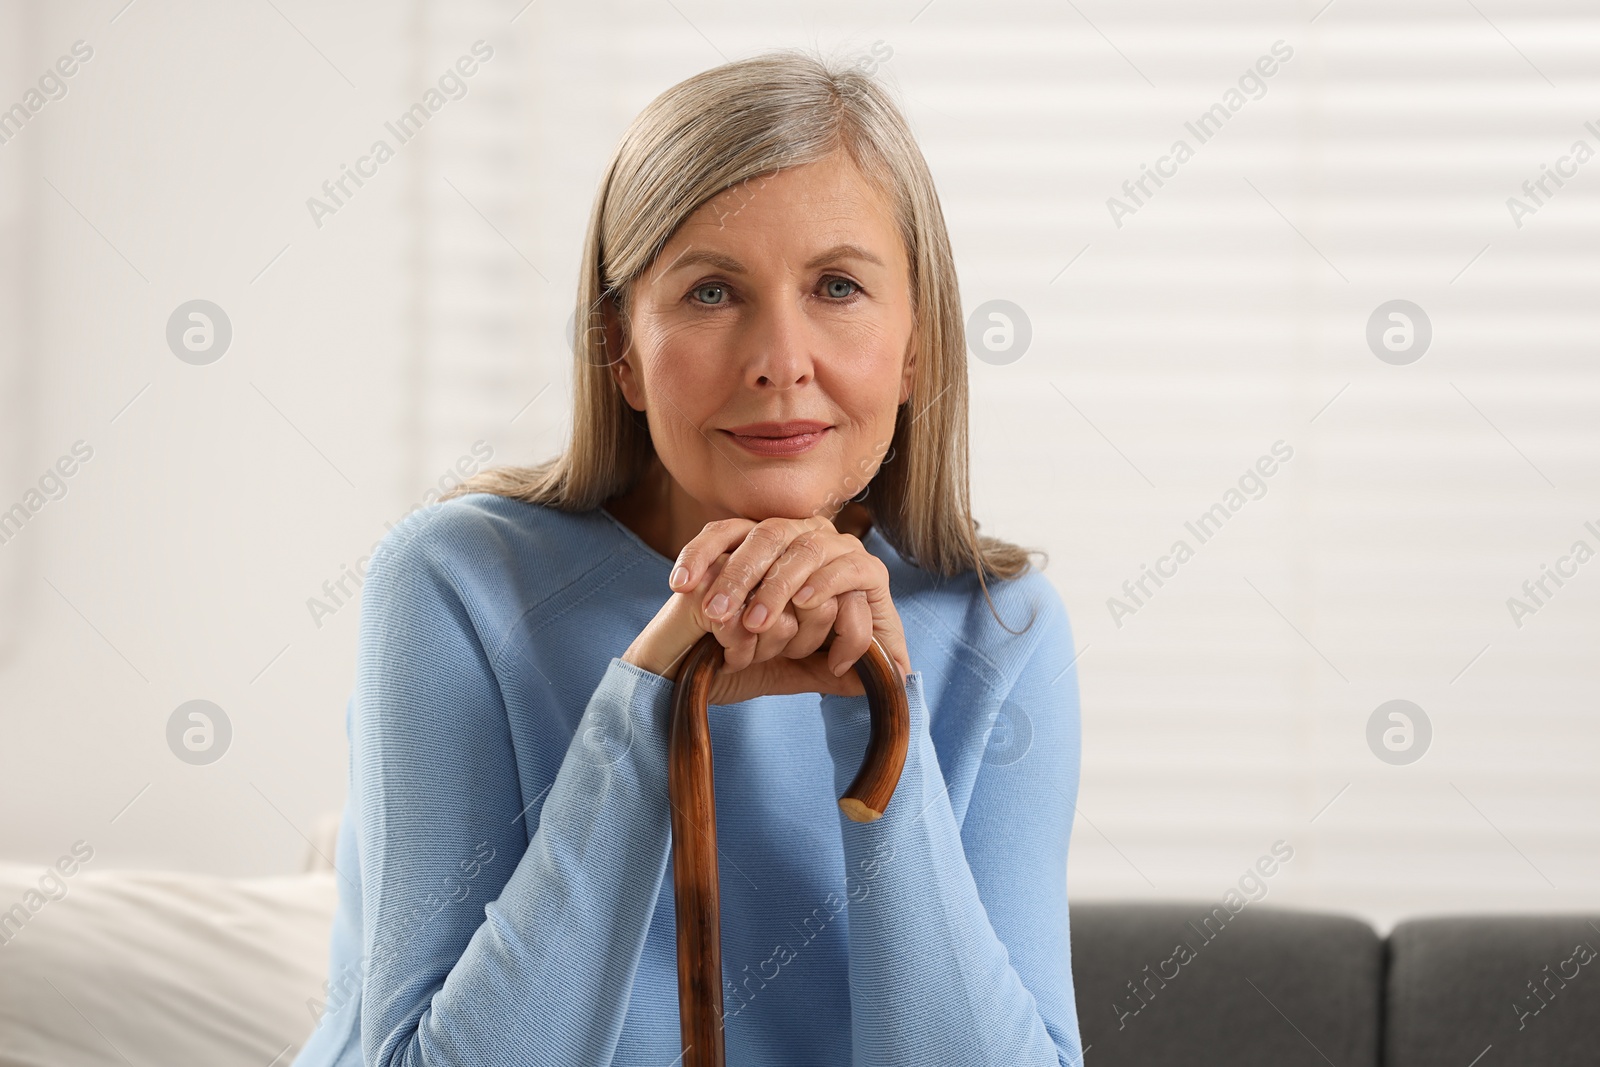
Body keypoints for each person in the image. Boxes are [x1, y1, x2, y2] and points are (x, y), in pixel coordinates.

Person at [292, 47, 1085, 1067]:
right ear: (619, 346)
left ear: (917, 343)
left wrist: (881, 714)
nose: (778, 360)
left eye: (837, 286)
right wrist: (647, 702)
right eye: (712, 293)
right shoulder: (453, 584)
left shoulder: (1001, 627)